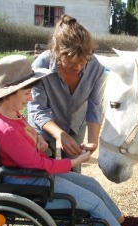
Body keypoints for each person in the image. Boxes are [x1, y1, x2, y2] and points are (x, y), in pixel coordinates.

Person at [0, 54, 138, 226]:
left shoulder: (6, 113)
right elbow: (39, 165)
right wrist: (73, 161)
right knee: (94, 204)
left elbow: (23, 132)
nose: (29, 99)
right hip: (32, 183)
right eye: (27, 93)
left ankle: (119, 225)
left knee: (92, 184)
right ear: (9, 94)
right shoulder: (6, 129)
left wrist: (36, 138)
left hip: (32, 177)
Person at [28, 14, 105, 174]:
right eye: (70, 64)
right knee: (43, 169)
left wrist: (92, 142)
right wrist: (59, 134)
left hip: (76, 122)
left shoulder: (96, 67)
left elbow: (95, 106)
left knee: (73, 168)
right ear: (57, 52)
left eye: (82, 62)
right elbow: (37, 109)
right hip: (44, 124)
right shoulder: (40, 67)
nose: (77, 68)